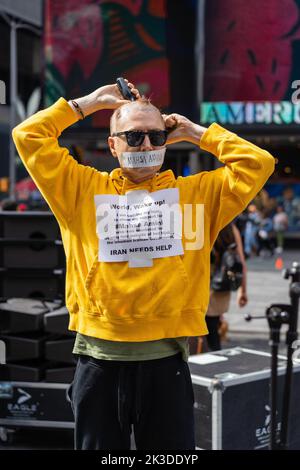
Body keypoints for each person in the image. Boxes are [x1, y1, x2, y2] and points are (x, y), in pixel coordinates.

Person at [12, 80, 275, 450]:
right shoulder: (79, 189)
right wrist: (88, 104)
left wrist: (198, 133)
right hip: (97, 360)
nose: (147, 145)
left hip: (166, 362)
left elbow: (258, 163)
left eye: (156, 137)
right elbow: (28, 135)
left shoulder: (196, 195)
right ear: (113, 145)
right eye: (133, 137)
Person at [205, 223, 248, 351]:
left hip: (202, 284)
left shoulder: (200, 219)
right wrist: (242, 290)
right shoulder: (230, 227)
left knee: (206, 333)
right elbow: (240, 262)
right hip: (220, 286)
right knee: (213, 332)